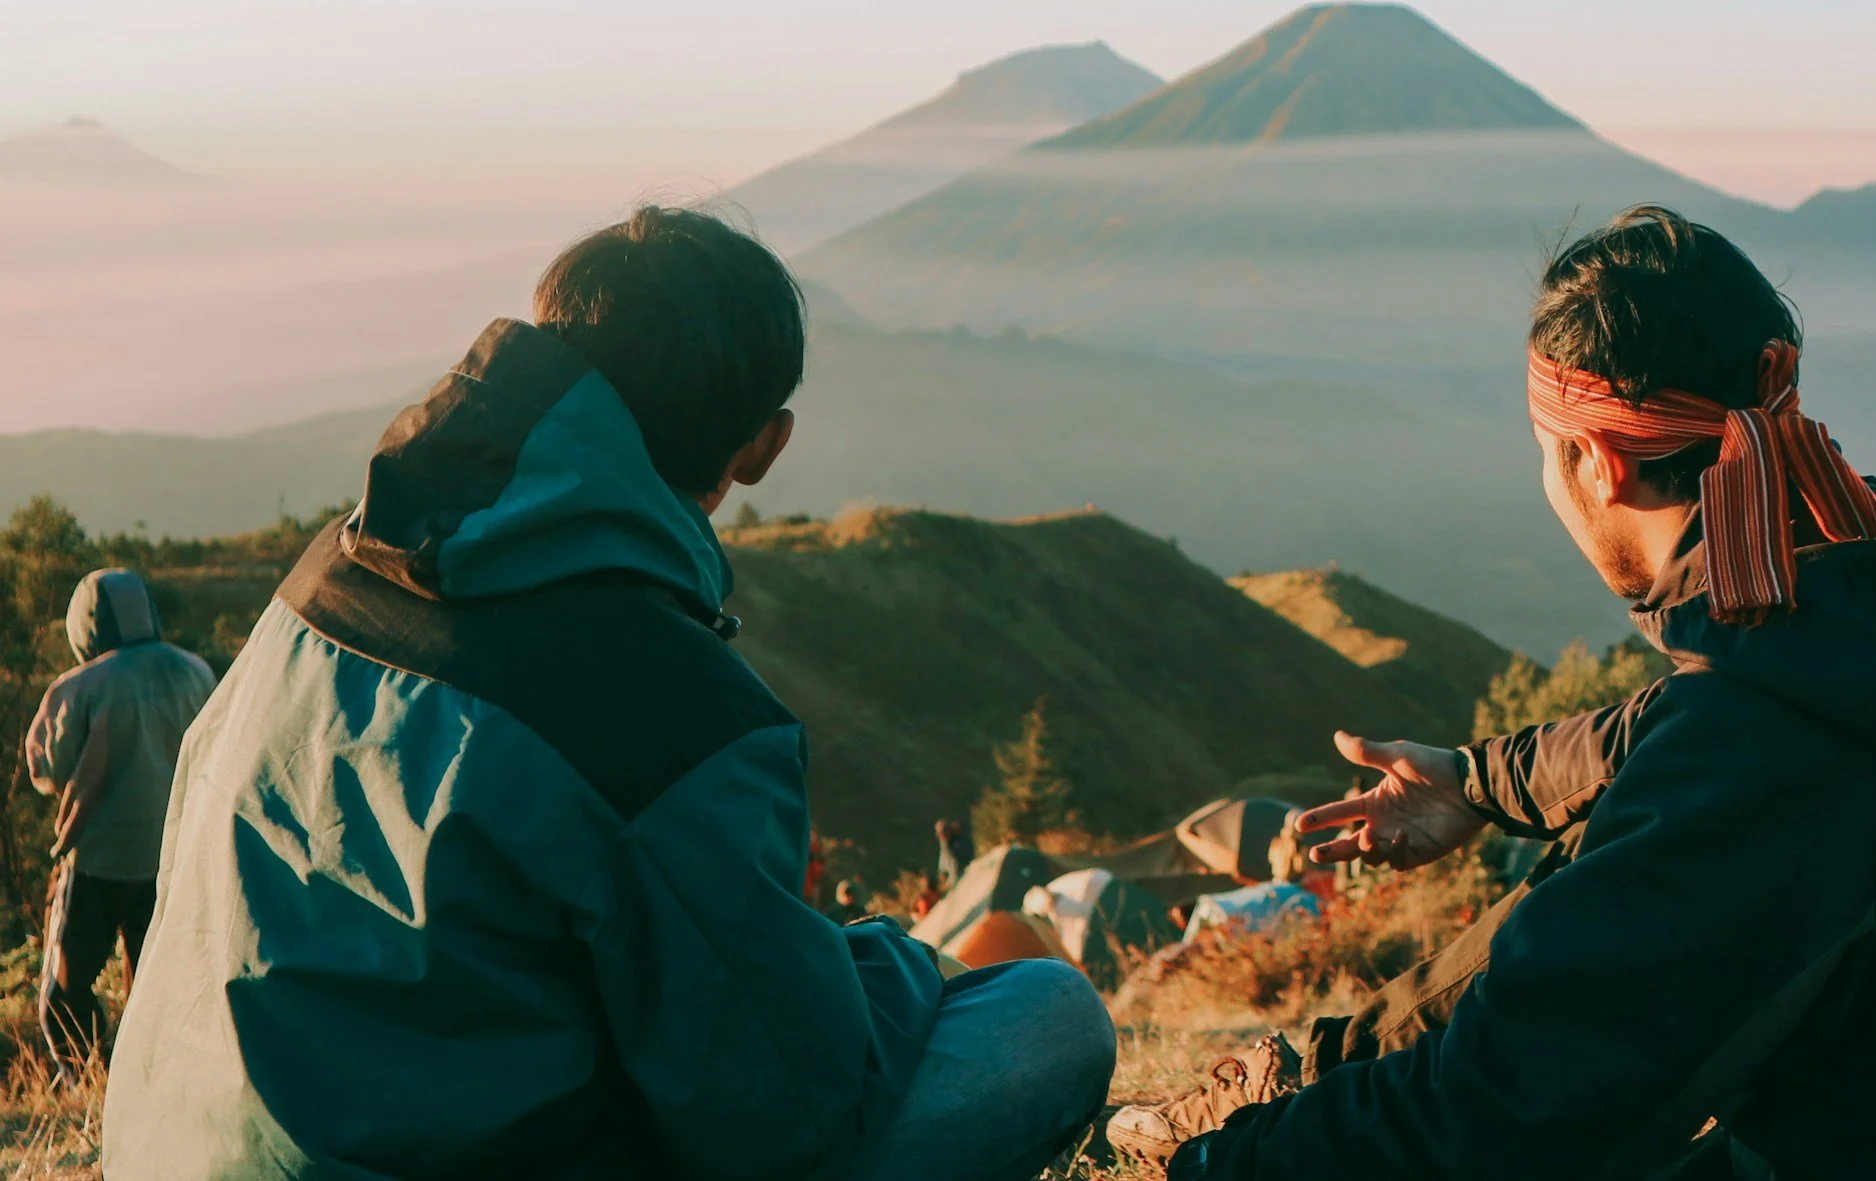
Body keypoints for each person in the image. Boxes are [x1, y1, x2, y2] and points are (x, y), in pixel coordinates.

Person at [1113, 205, 1876, 1180]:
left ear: (1595, 460)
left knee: (1560, 940)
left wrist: (1222, 1166)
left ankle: (1273, 1102)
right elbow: (1679, 726)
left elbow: (1507, 1115)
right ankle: (1300, 1073)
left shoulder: (1764, 741)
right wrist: (1480, 780)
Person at [104, 209, 1114, 1180]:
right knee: (1046, 1011)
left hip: (178, 1148)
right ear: (763, 446)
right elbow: (787, 1123)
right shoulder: (674, 712)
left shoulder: (328, 572)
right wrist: (900, 967)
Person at [22, 568, 218, 1074]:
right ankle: (149, 1081)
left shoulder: (80, 686)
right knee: (154, 984)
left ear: (85, 622)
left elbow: (47, 770)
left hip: (98, 861)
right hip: (174, 858)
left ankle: (88, 1078)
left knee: (65, 990)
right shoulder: (195, 671)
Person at [937, 817, 978, 889]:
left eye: (944, 831)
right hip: (956, 878)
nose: (942, 835)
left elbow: (955, 866)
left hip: (966, 876)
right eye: (940, 833)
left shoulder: (958, 843)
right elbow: (943, 863)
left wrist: (949, 883)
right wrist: (942, 874)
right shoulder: (945, 846)